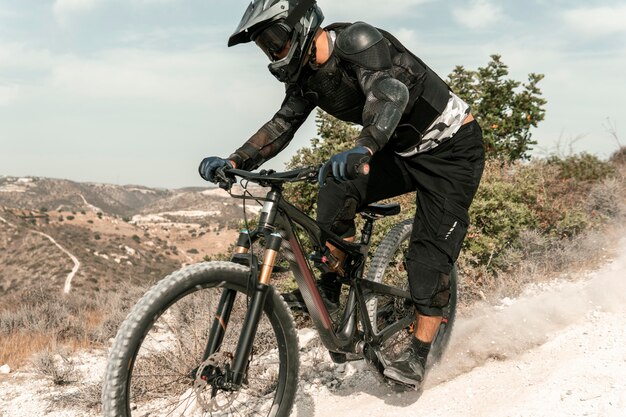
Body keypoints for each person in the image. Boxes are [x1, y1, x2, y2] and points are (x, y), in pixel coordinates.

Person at [199, 0, 485, 388]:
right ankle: (333, 287)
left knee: (428, 255)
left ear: (300, 25)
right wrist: (235, 160)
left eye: (274, 39)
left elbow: (390, 94)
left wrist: (365, 147)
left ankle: (419, 353)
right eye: (265, 46)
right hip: (399, 150)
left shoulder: (357, 41)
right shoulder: (305, 77)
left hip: (450, 151)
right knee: (334, 186)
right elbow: (283, 124)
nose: (273, 51)